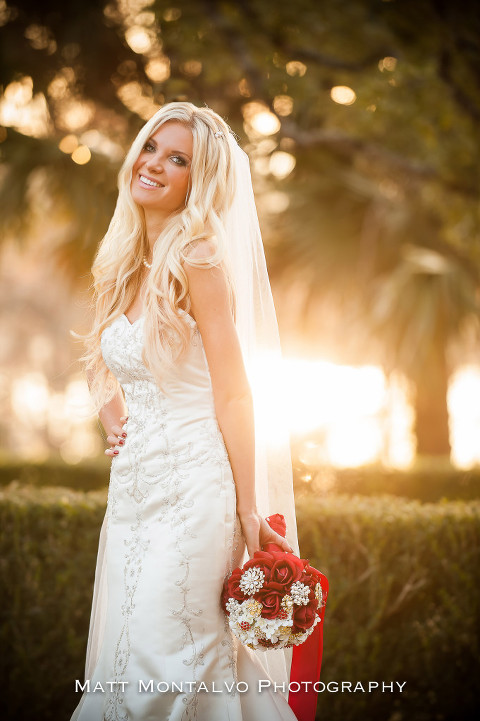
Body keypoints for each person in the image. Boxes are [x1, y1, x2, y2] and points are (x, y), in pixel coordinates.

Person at [70, 101, 301, 721]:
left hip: (196, 490)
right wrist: (111, 413)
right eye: (151, 147)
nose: (155, 165)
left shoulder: (198, 259)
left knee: (172, 658)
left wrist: (248, 509)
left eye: (179, 161)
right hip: (133, 492)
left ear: (200, 184)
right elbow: (99, 357)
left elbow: (234, 392)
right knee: (126, 653)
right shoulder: (124, 256)